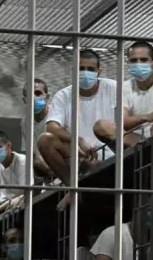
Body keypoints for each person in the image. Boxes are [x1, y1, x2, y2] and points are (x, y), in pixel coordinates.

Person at [37, 49, 118, 210]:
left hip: (114, 156)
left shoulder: (114, 88)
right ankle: (73, 188)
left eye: (90, 69)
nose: (85, 73)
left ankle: (87, 176)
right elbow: (51, 126)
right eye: (81, 69)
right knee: (44, 140)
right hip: (81, 158)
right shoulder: (63, 95)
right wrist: (78, 141)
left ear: (99, 71)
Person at [94, 40, 153, 148]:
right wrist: (147, 117)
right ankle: (148, 149)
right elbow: (122, 121)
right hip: (141, 141)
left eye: (144, 60)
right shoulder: (125, 88)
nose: (138, 63)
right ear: (128, 63)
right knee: (100, 126)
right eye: (134, 60)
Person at [0, 130, 29, 212]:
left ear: (8, 145)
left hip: (20, 203)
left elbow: (25, 194)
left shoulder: (22, 161)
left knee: (22, 199)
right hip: (3, 202)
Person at [21, 79, 55, 181]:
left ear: (47, 97)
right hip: (42, 170)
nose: (34, 97)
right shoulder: (25, 122)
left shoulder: (57, 115)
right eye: (29, 95)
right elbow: (30, 153)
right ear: (24, 100)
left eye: (37, 93)